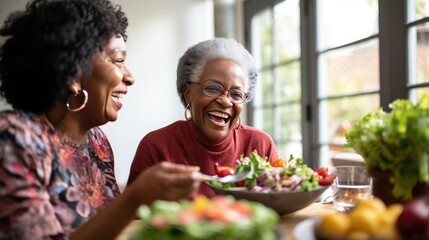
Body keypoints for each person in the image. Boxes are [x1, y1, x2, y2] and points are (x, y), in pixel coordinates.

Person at [0, 0, 201, 239]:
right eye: (118, 60)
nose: (130, 77)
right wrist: (135, 198)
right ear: (73, 73)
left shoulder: (97, 142)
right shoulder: (13, 138)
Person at [127, 38, 278, 198]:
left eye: (236, 94)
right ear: (188, 93)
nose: (226, 101)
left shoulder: (260, 145)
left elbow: (278, 203)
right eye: (212, 88)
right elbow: (133, 216)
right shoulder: (156, 147)